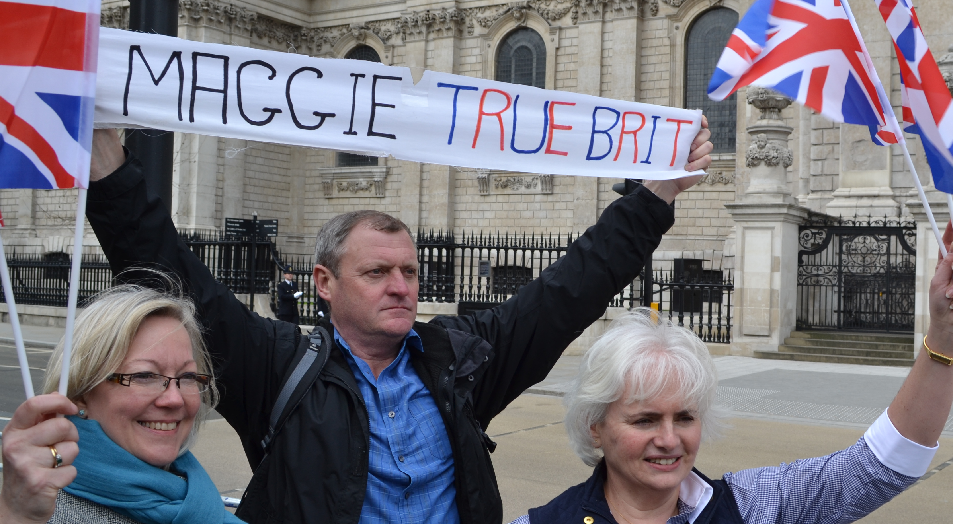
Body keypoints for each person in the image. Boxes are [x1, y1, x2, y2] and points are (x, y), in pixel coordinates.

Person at [84, 120, 713, 524]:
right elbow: (169, 270)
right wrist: (108, 164)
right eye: (377, 272)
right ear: (324, 284)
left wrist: (655, 198)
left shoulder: (461, 362)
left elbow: (567, 291)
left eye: (410, 272)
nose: (401, 287)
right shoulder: (277, 367)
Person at [516, 223, 953, 524]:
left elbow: (879, 467)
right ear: (595, 428)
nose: (669, 439)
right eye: (644, 420)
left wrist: (945, 338)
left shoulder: (752, 508)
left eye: (684, 417)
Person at [0, 285, 239, 524]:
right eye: (144, 376)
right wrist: (12, 514)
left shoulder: (193, 496)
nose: (174, 399)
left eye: (187, 377)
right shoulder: (45, 511)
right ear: (82, 393)